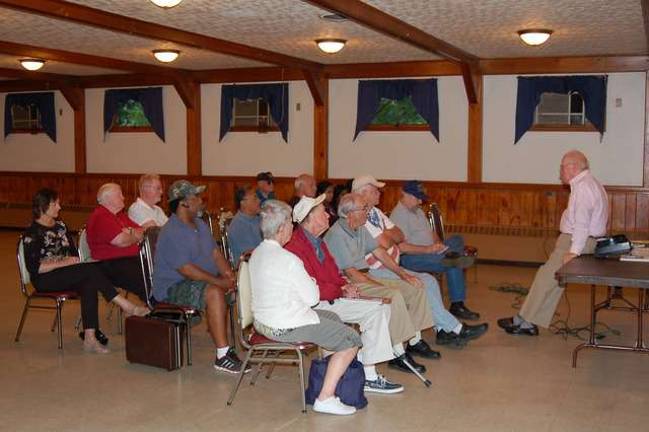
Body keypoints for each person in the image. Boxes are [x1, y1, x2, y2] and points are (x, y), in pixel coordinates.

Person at [249, 200, 362, 416]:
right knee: (351, 339)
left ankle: (329, 379)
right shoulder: (288, 259)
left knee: (332, 317)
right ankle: (325, 397)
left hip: (264, 321)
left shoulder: (257, 253)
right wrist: (309, 282)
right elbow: (312, 297)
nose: (293, 226)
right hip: (284, 325)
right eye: (291, 223)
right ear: (282, 228)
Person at [351, 176, 488, 348]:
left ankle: (442, 329)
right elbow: (391, 243)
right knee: (433, 276)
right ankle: (456, 328)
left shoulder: (376, 213)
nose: (379, 193)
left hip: (396, 264)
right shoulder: (362, 217)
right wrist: (426, 250)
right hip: (384, 268)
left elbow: (398, 235)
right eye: (375, 190)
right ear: (363, 193)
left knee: (439, 269)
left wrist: (438, 245)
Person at [286, 195, 403, 394]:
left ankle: (367, 371)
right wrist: (341, 289)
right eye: (323, 211)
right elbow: (312, 289)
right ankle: (369, 375)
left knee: (380, 306)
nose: (327, 214)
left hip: (329, 297)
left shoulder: (317, 242)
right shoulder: (297, 247)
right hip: (313, 306)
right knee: (375, 309)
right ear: (311, 218)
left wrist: (344, 285)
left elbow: (332, 273)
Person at [23, 189, 149, 354]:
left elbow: (74, 255)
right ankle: (127, 306)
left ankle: (90, 338)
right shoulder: (32, 233)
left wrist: (69, 261)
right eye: (56, 204)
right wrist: (63, 262)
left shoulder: (61, 227)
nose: (60, 207)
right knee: (90, 271)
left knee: (88, 281)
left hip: (67, 272)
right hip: (45, 278)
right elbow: (35, 268)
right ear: (44, 206)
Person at [498, 150, 608, 335]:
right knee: (554, 283)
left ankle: (523, 321)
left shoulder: (583, 188)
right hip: (582, 241)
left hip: (576, 241)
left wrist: (574, 251)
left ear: (573, 167)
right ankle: (527, 322)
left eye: (562, 167)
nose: (560, 172)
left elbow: (582, 223)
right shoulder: (590, 183)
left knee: (545, 278)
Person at [324, 193, 435, 374]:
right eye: (364, 208)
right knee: (392, 295)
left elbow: (379, 251)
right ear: (350, 213)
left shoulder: (359, 227)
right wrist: (381, 287)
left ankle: (412, 341)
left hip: (365, 275)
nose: (368, 212)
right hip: (349, 283)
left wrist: (403, 275)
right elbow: (351, 273)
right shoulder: (337, 234)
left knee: (414, 287)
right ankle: (398, 353)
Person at [153, 180, 246, 373]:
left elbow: (215, 253)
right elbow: (186, 270)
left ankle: (227, 347)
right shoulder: (172, 231)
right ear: (184, 203)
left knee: (222, 287)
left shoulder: (200, 224)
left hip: (196, 281)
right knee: (214, 291)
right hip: (173, 286)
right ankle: (222, 356)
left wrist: (229, 274)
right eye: (196, 197)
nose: (201, 200)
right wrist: (219, 281)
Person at [391, 180, 480, 320]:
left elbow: (430, 232)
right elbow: (401, 247)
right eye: (417, 198)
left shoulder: (417, 210)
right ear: (405, 195)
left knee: (457, 239)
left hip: (432, 251)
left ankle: (452, 255)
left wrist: (439, 244)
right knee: (453, 261)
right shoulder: (399, 216)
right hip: (412, 258)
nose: (420, 201)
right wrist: (428, 249)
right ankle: (457, 304)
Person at [86, 183, 147, 302]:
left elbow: (144, 231)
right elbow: (121, 241)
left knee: (157, 271)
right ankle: (159, 310)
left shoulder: (120, 216)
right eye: (119, 195)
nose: (123, 197)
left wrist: (129, 231)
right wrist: (134, 235)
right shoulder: (101, 216)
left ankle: (165, 308)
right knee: (145, 279)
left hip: (128, 260)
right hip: (110, 264)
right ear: (108, 199)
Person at [227, 185, 262, 267]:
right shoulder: (238, 227)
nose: (259, 201)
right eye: (255, 198)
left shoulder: (258, 219)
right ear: (243, 203)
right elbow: (251, 255)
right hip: (248, 270)